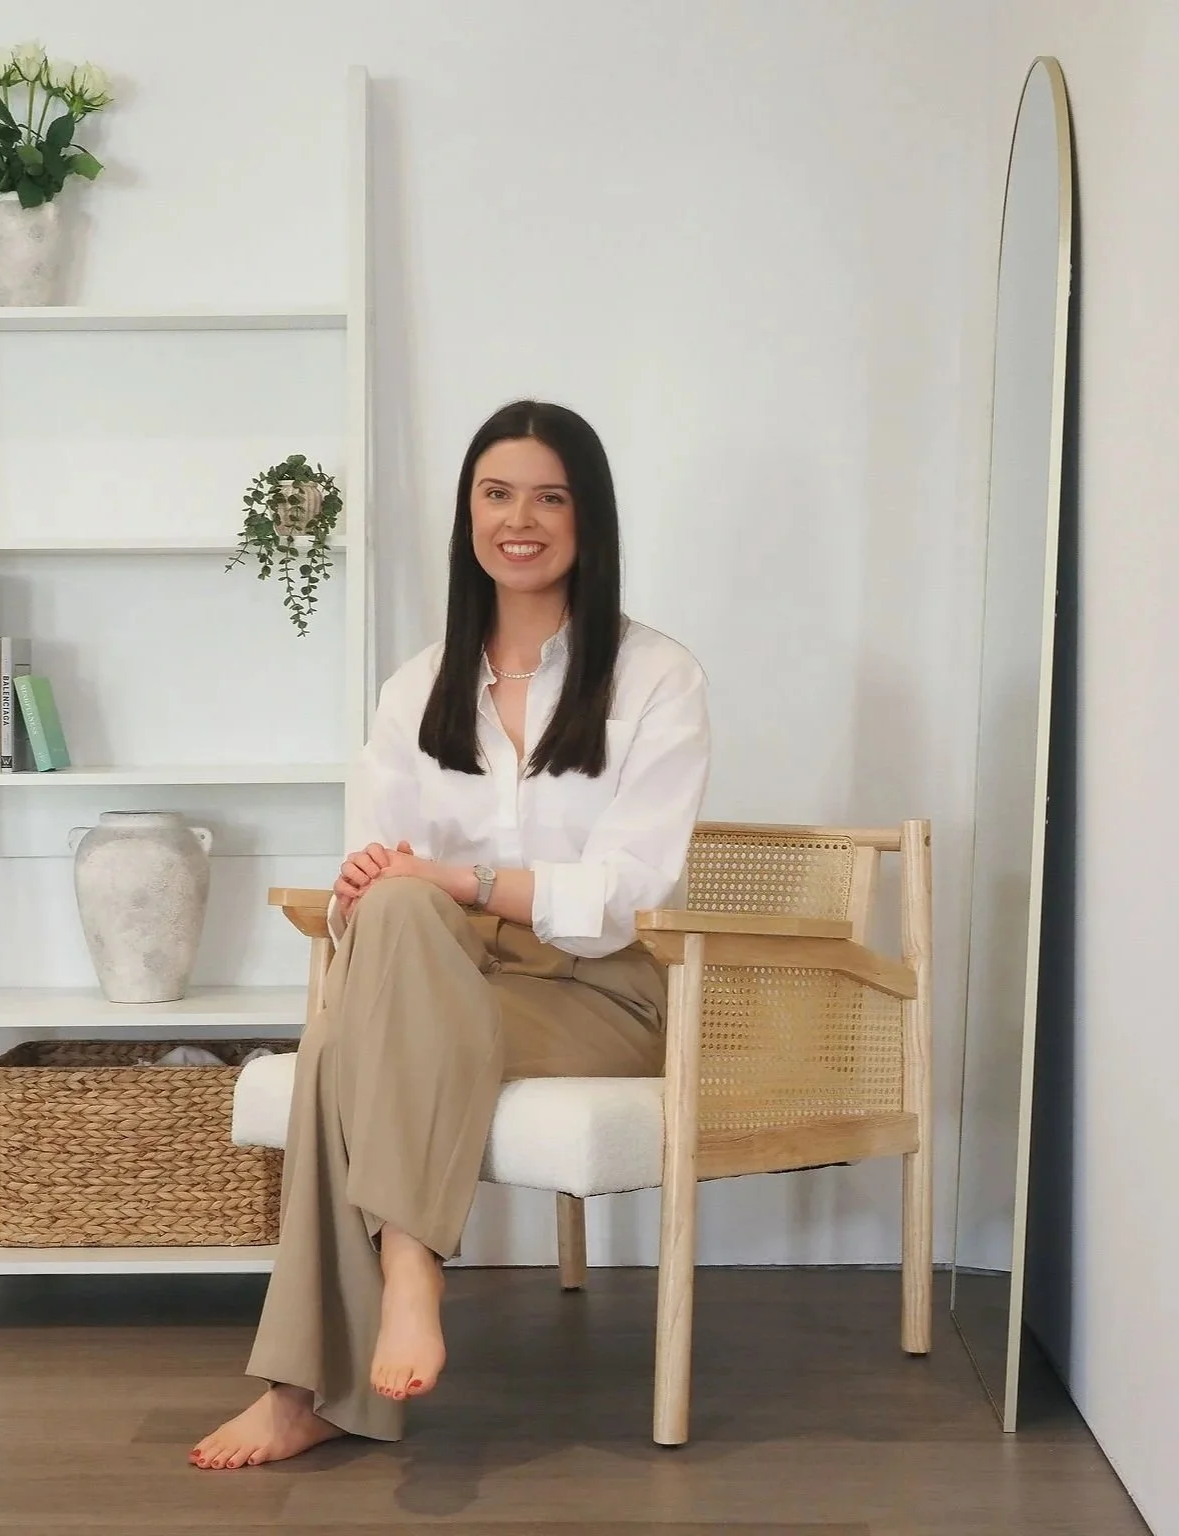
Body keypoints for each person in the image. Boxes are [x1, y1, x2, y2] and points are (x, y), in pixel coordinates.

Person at [191, 400, 710, 1469]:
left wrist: (459, 879)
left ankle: (330, 1359)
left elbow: (626, 893)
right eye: (497, 493)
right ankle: (404, 1279)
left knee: (341, 1051)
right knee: (391, 914)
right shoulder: (415, 688)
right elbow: (375, 882)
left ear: (588, 518)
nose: (521, 519)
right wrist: (364, 886)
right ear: (468, 512)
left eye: (549, 497)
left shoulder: (657, 678)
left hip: (599, 992)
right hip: (439, 967)